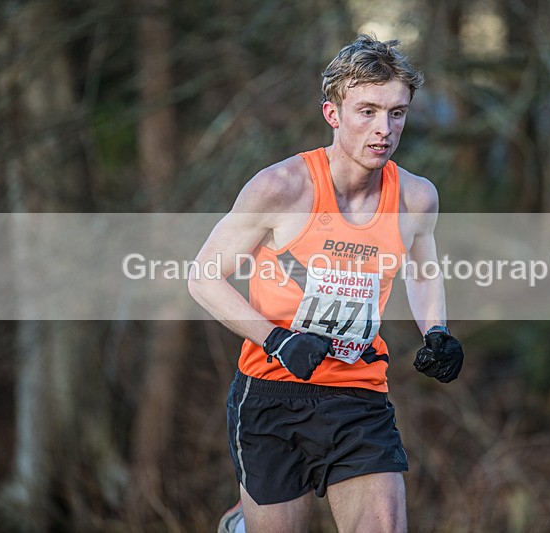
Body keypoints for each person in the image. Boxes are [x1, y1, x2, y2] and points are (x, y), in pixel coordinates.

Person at [188, 34, 464, 533]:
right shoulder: (281, 188)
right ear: (332, 113)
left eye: (396, 113)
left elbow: (422, 269)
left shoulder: (417, 198)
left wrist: (437, 331)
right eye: (367, 111)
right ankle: (242, 522)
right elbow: (203, 278)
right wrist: (279, 340)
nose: (384, 129)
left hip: (359, 394)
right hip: (271, 396)